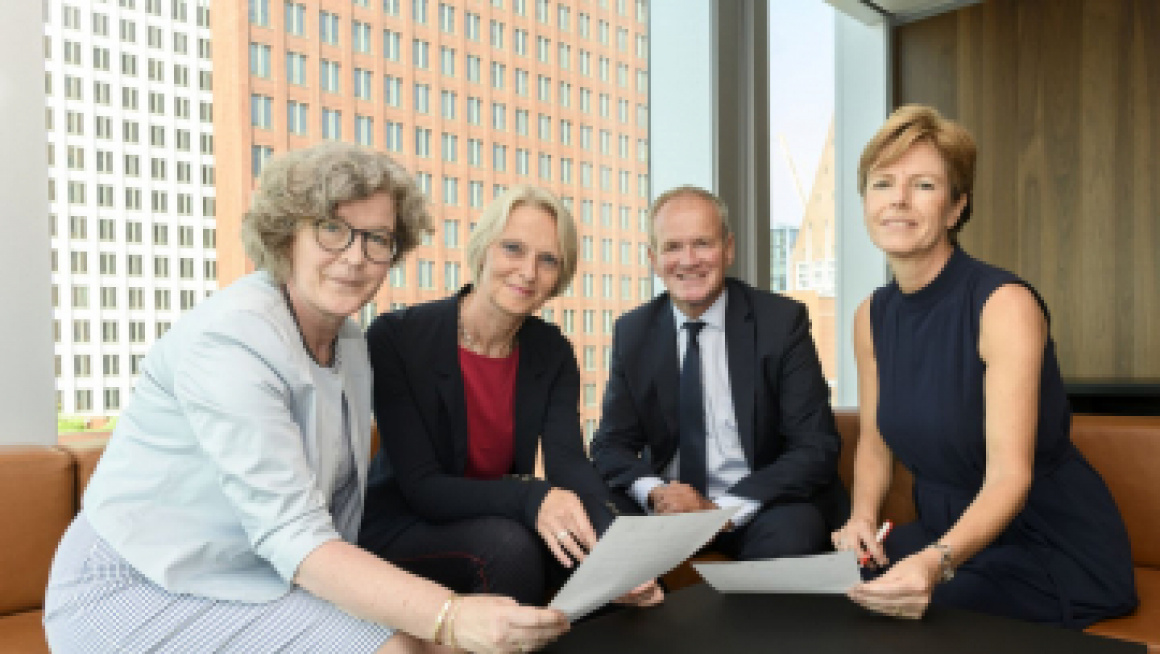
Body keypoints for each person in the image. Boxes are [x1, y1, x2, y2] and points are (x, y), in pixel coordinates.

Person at [43, 143, 570, 654]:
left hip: (254, 576)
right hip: (132, 585)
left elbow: (334, 515)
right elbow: (295, 534)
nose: (354, 259)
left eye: (377, 239)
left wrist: (433, 621)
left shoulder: (351, 345)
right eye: (332, 230)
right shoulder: (232, 339)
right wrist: (448, 615)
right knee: (405, 646)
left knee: (423, 642)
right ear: (286, 234)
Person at [834, 104, 1138, 626]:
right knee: (839, 587)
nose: (899, 201)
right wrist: (862, 516)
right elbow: (876, 443)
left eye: (924, 185)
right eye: (883, 184)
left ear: (956, 208)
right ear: (865, 202)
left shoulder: (1003, 304)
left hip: (1044, 541)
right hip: (945, 530)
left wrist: (932, 564)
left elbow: (1009, 478)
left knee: (911, 613)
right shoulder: (871, 316)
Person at [359, 185, 662, 609]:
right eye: (513, 249)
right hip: (405, 523)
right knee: (512, 547)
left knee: (614, 539)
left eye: (548, 260)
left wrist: (617, 544)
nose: (528, 272)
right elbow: (422, 488)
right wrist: (534, 497)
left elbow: (569, 465)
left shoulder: (551, 349)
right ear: (484, 250)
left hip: (499, 513)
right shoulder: (396, 338)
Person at [589, 186, 848, 561]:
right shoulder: (634, 332)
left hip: (760, 505)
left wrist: (720, 511)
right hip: (670, 511)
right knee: (601, 523)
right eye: (672, 247)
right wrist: (657, 493)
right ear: (653, 259)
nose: (688, 260)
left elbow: (815, 447)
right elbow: (611, 445)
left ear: (728, 249)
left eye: (702, 244)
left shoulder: (781, 322)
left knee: (795, 531)